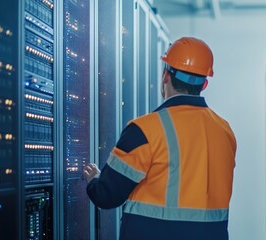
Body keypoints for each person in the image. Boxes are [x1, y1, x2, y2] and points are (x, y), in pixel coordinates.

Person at [83, 37, 236, 240]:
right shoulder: (225, 131)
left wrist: (93, 178)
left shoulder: (144, 130)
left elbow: (107, 195)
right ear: (204, 84)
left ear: (166, 76)